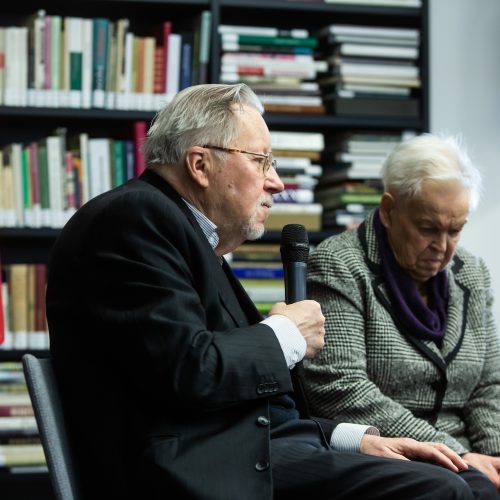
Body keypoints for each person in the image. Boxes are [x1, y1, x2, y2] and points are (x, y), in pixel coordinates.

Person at [45, 86, 496, 500]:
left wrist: (355, 438)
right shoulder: (134, 218)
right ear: (200, 165)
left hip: (248, 451)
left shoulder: (192, 239)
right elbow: (190, 370)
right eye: (261, 160)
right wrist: (284, 334)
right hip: (195, 472)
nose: (276, 181)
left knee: (469, 480)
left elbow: (243, 399)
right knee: (443, 490)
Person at [305, 132, 500, 493]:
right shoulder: (339, 265)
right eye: (428, 229)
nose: (442, 248)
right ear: (389, 210)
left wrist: (494, 455)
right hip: (387, 451)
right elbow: (342, 389)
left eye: (455, 230)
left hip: (467, 456)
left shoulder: (472, 273)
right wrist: (459, 455)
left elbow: (489, 386)